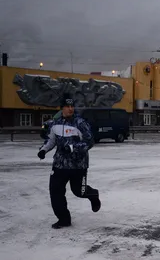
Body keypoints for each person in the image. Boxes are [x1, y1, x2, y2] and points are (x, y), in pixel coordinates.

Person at [37, 95, 101, 229]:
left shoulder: (80, 123)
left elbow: (89, 142)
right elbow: (51, 140)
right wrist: (44, 150)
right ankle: (64, 219)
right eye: (67, 106)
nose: (70, 109)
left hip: (79, 165)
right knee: (56, 192)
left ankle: (93, 195)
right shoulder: (55, 123)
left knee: (79, 191)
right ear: (62, 108)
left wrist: (72, 148)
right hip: (60, 165)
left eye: (72, 106)